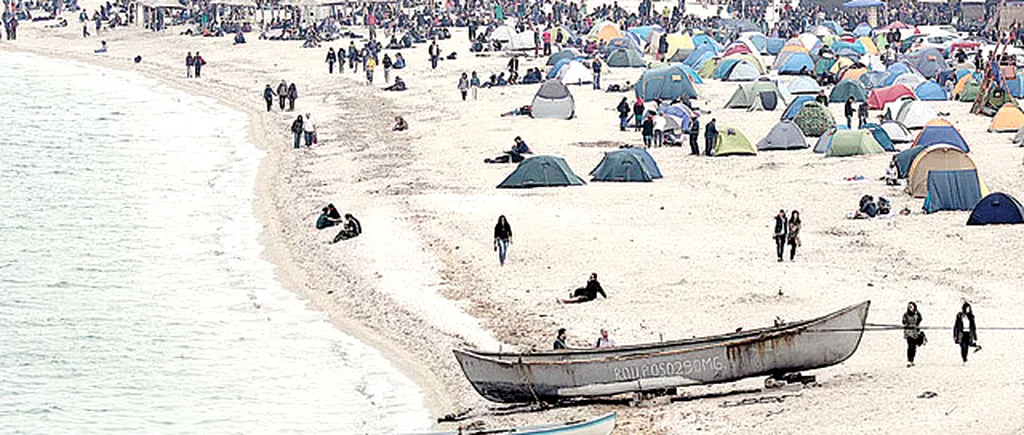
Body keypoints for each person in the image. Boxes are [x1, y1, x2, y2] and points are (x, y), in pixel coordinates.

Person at [903, 302, 924, 367]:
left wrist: (916, 326)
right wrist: (907, 325)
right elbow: (904, 322)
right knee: (910, 346)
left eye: (911, 306)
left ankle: (912, 360)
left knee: (914, 347)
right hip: (908, 332)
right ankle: (909, 360)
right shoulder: (906, 314)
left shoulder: (917, 314)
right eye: (909, 306)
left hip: (915, 332)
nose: (910, 308)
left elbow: (919, 320)